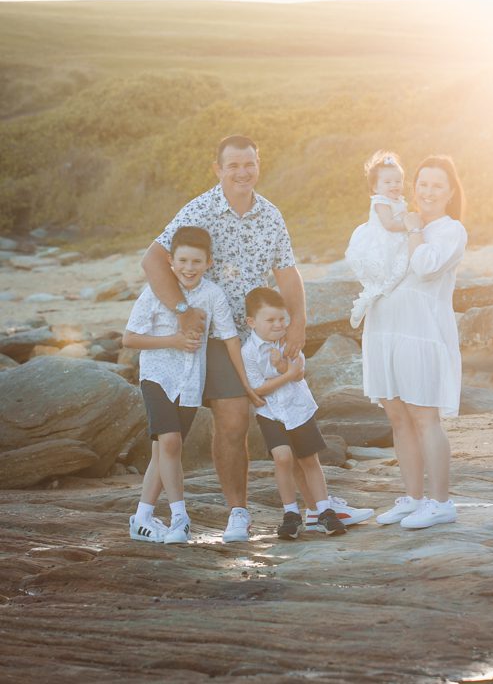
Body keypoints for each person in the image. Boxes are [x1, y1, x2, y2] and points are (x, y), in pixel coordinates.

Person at [140, 134, 370, 542]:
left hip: (261, 338)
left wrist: (299, 322)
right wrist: (181, 309)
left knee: (292, 413)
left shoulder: (270, 215)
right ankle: (238, 513)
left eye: (249, 164)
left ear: (257, 164)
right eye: (233, 165)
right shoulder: (201, 209)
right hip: (214, 339)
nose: (243, 172)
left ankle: (319, 506)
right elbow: (154, 258)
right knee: (231, 424)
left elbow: (287, 272)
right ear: (218, 169)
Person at [361, 155, 467, 530]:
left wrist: (414, 230)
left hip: (421, 333)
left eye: (437, 185)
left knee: (425, 417)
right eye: (422, 183)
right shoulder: (401, 220)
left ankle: (441, 502)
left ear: (450, 192)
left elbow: (423, 267)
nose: (427, 191)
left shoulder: (450, 230)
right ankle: (413, 498)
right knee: (397, 416)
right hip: (385, 328)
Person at [124, 226, 241, 544]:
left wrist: (247, 379)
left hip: (190, 383)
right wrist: (173, 340)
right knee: (171, 443)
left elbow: (229, 337)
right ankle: (180, 518)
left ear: (209, 263)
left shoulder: (212, 294)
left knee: (164, 451)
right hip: (157, 377)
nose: (189, 268)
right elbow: (129, 338)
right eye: (183, 261)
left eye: (196, 261)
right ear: (171, 263)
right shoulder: (155, 292)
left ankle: (143, 517)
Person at [242, 287, 362, 539]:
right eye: (270, 320)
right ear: (252, 322)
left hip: (298, 409)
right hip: (270, 412)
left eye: (282, 319)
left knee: (309, 460)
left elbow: (299, 372)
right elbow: (257, 389)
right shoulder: (248, 352)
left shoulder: (289, 341)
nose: (278, 325)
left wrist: (281, 366)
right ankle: (290, 513)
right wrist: (285, 373)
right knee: (283, 457)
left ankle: (324, 511)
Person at [345, 150, 409, 327]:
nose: (394, 185)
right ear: (375, 187)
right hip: (383, 244)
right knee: (385, 277)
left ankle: (373, 302)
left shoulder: (399, 200)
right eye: (387, 182)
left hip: (396, 242)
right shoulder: (381, 201)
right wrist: (410, 225)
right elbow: (389, 224)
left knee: (398, 274)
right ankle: (364, 303)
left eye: (398, 181)